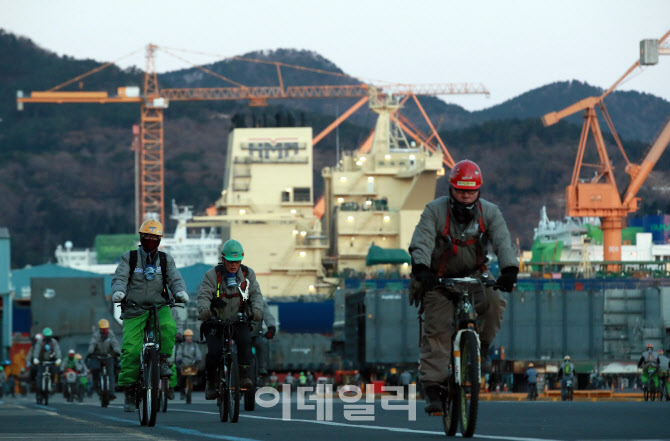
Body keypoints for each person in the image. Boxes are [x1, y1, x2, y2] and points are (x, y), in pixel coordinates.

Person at [407, 159, 518, 412]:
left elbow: (502, 240)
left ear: (479, 190)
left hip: (475, 276)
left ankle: (482, 348)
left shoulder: (490, 212)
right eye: (460, 190)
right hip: (438, 278)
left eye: (471, 191)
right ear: (451, 189)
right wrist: (422, 270)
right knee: (436, 329)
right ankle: (434, 387)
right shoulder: (434, 211)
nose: (466, 196)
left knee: (495, 303)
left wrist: (510, 270)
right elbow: (421, 241)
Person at [111, 219, 189, 412]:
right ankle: (130, 390)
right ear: (141, 238)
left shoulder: (165, 259)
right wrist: (119, 291)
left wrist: (179, 291)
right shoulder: (128, 258)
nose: (151, 242)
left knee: (169, 327)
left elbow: (175, 278)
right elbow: (120, 277)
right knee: (130, 349)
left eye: (155, 239)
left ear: (160, 240)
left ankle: (163, 361)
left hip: (159, 307)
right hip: (134, 308)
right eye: (147, 238)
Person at [197, 239, 264, 400]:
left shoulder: (248, 274)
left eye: (237, 261)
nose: (234, 265)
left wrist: (257, 310)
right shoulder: (212, 275)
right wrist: (204, 310)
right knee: (213, 352)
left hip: (238, 320)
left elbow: (255, 294)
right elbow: (204, 295)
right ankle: (211, 383)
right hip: (216, 321)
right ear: (223, 259)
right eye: (230, 261)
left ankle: (243, 374)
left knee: (246, 341)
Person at [87, 318, 121, 400]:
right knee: (95, 370)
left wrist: (117, 352)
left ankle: (112, 393)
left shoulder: (111, 335)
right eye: (102, 329)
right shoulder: (96, 335)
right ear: (100, 329)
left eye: (105, 329)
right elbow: (92, 343)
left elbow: (115, 343)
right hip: (98, 357)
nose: (104, 331)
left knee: (111, 374)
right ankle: (97, 385)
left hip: (108, 357)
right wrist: (90, 351)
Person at [32, 327, 62, 403]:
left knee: (53, 373)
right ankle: (39, 393)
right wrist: (35, 358)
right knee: (39, 377)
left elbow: (57, 350)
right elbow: (37, 350)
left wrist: (58, 358)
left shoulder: (54, 342)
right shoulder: (40, 342)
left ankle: (52, 385)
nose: (47, 338)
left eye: (49, 336)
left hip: (51, 362)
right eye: (46, 336)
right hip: (42, 362)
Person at [250, 299, 277, 376]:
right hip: (240, 332)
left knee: (261, 344)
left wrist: (271, 327)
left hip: (256, 333)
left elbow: (268, 315)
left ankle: (261, 367)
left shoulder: (260, 301)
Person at [175, 329, 201, 399]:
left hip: (192, 364)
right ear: (185, 337)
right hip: (184, 364)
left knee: (195, 375)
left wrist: (198, 359)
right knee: (182, 378)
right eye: (187, 336)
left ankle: (193, 384)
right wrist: (179, 359)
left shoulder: (195, 345)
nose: (189, 338)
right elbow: (179, 353)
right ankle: (182, 391)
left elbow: (198, 354)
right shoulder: (182, 345)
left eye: (190, 336)